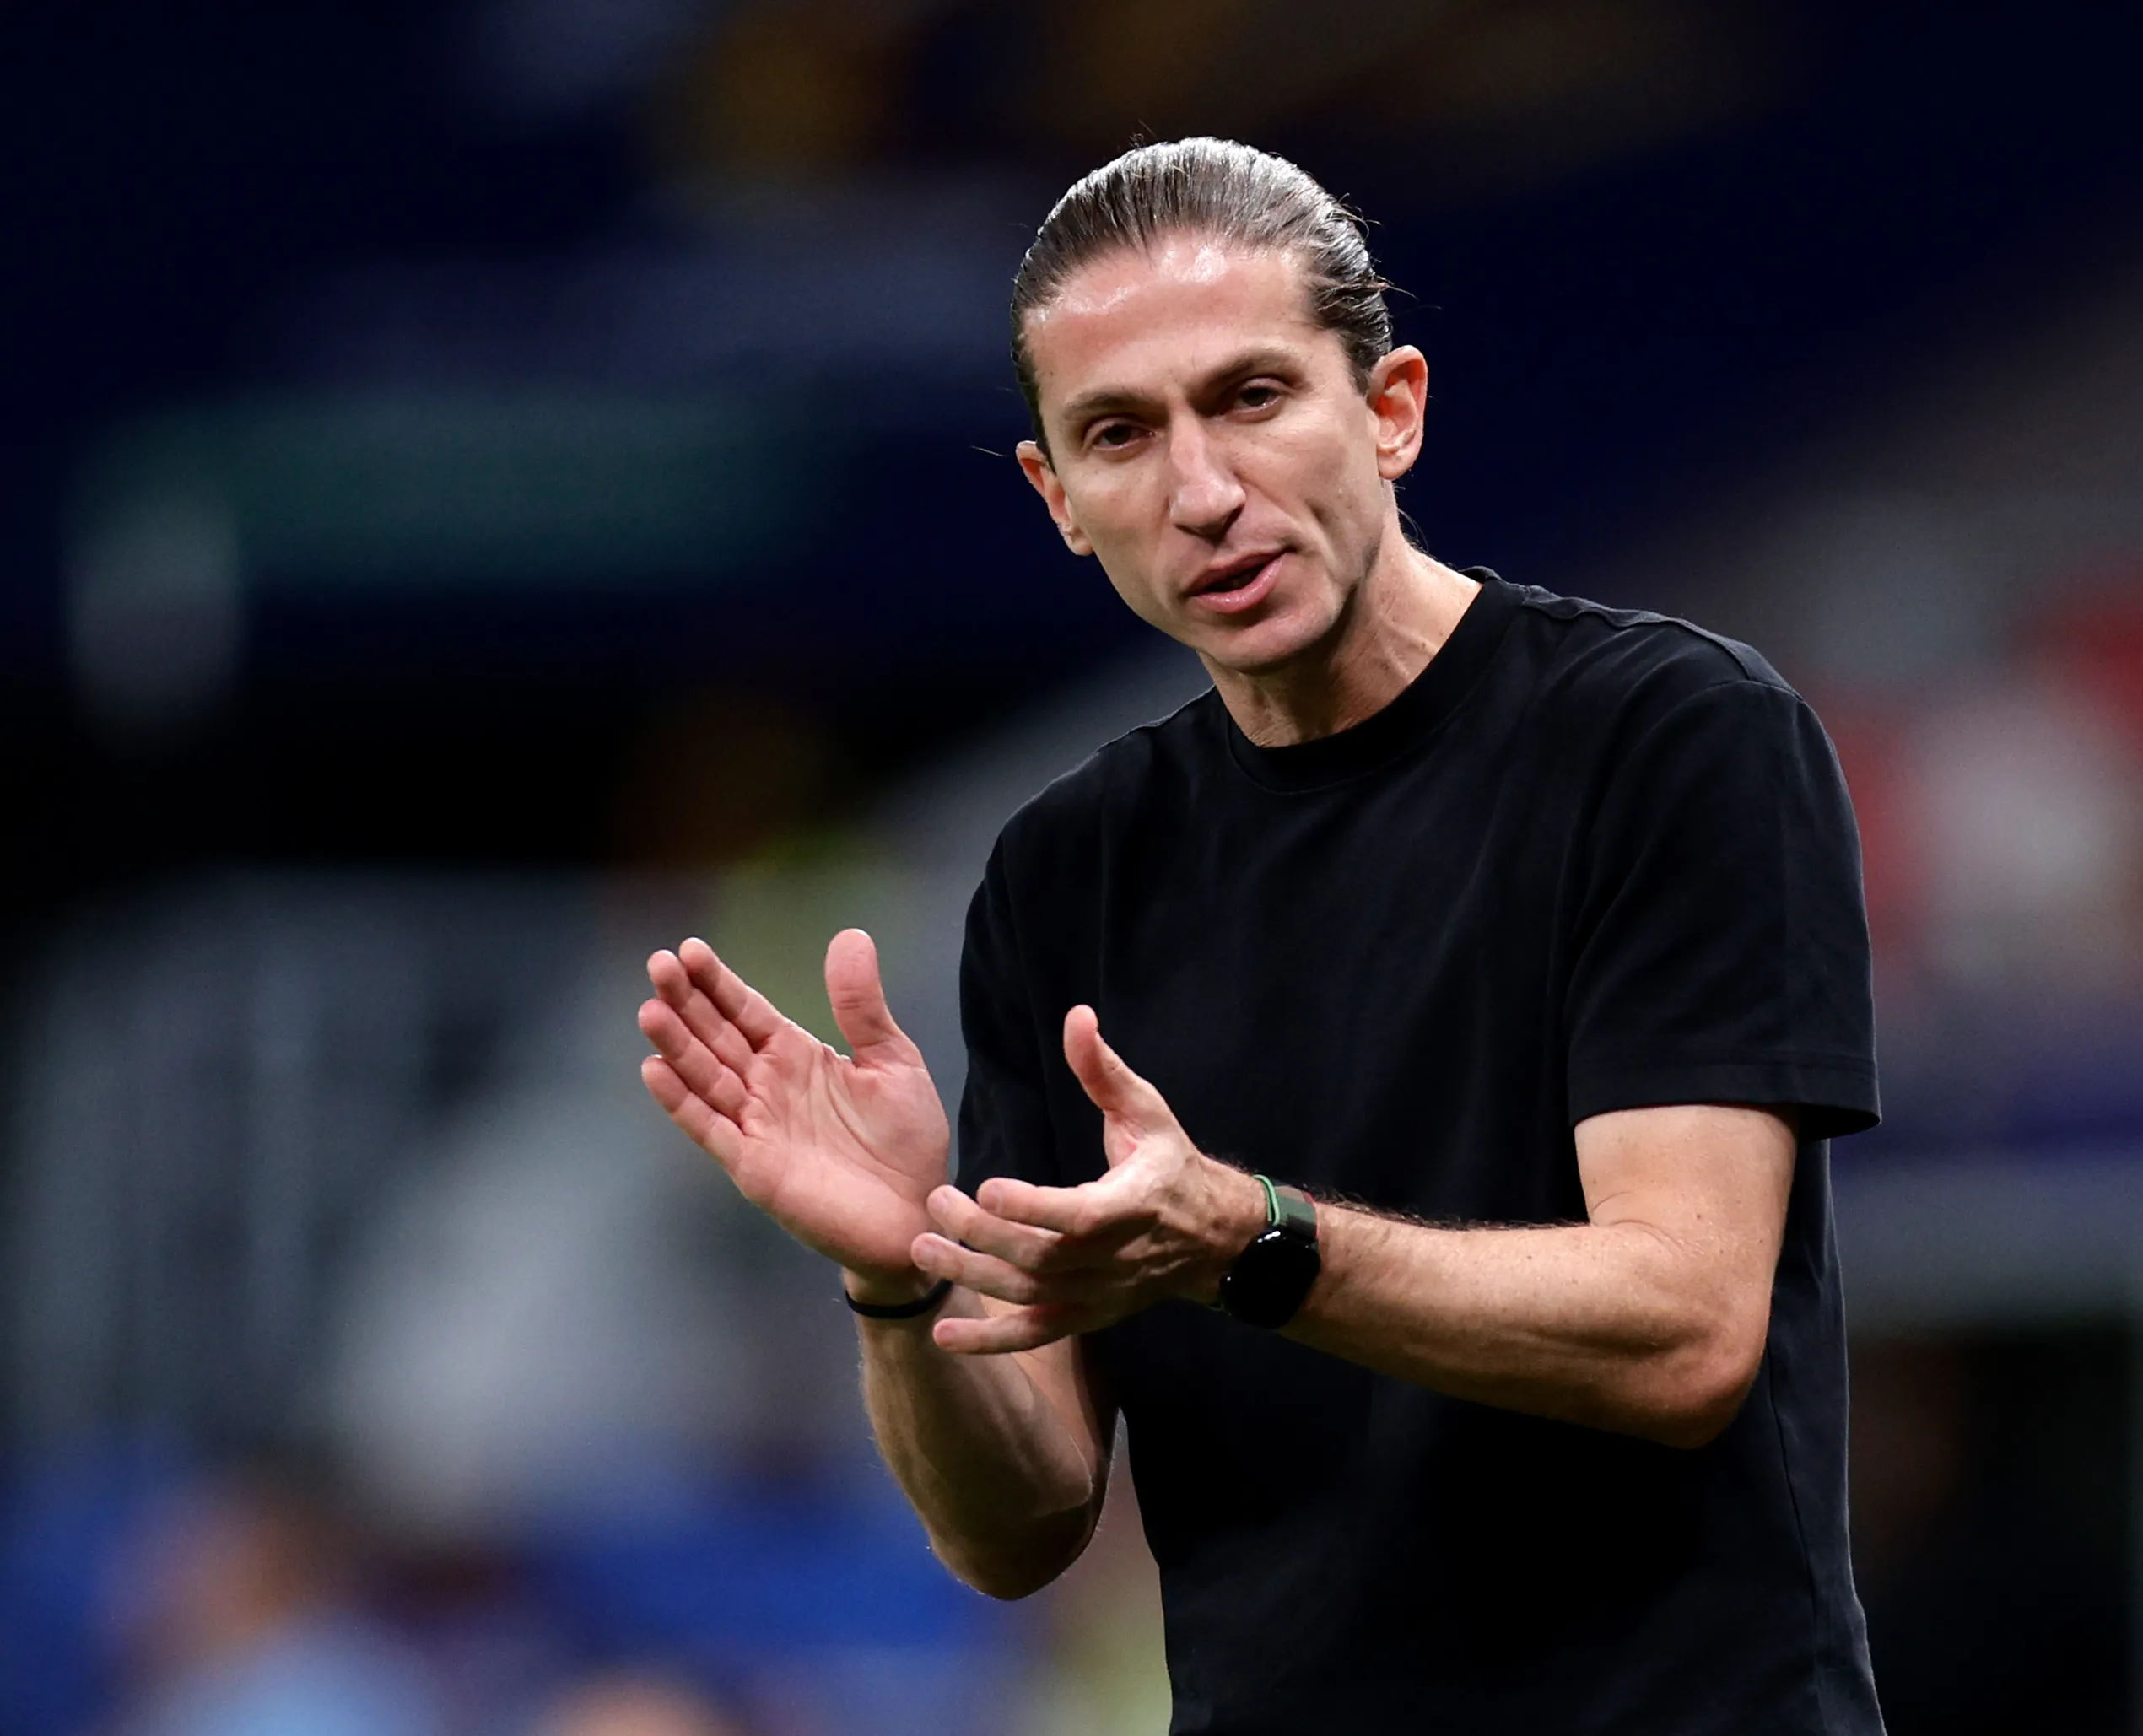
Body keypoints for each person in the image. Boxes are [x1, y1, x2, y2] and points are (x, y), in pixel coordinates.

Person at [636, 137, 1881, 1734]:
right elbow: (1019, 1525)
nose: (1204, 492)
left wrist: (1251, 1240)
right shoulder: (1063, 874)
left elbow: (1687, 1326)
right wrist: (898, 1281)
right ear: (1059, 500)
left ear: (1391, 408)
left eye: (1252, 397)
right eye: (1119, 434)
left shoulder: (1671, 738)